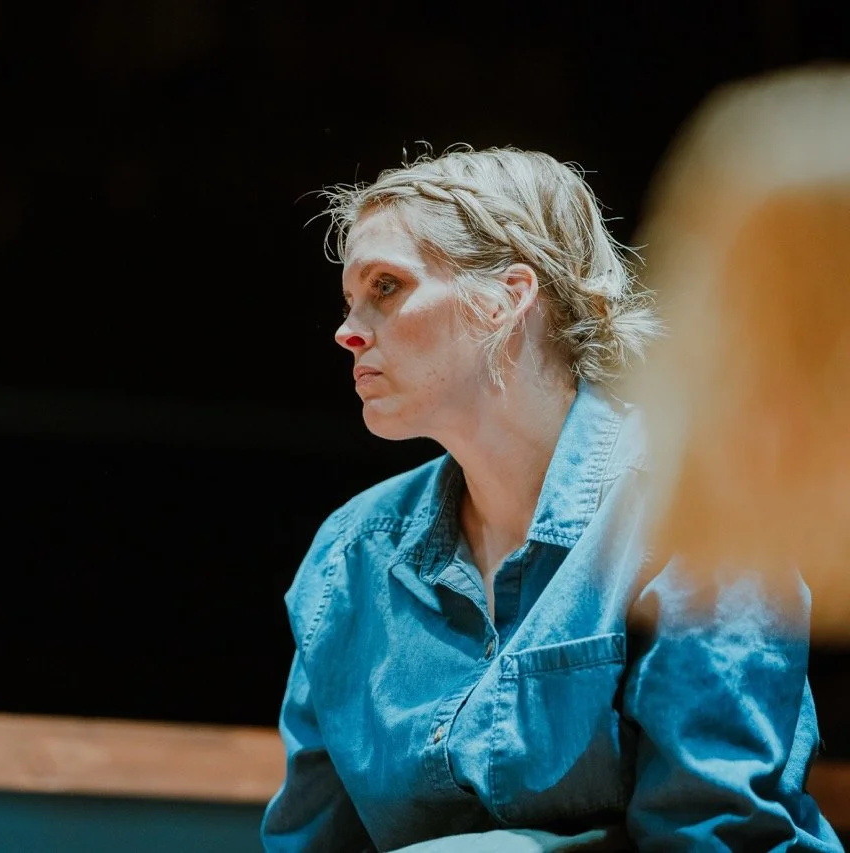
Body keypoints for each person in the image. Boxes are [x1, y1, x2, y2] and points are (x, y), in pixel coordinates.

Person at [260, 145, 843, 851]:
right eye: (350, 299)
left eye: (386, 286)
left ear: (509, 297)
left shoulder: (691, 513)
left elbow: (714, 833)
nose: (348, 329)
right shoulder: (347, 558)